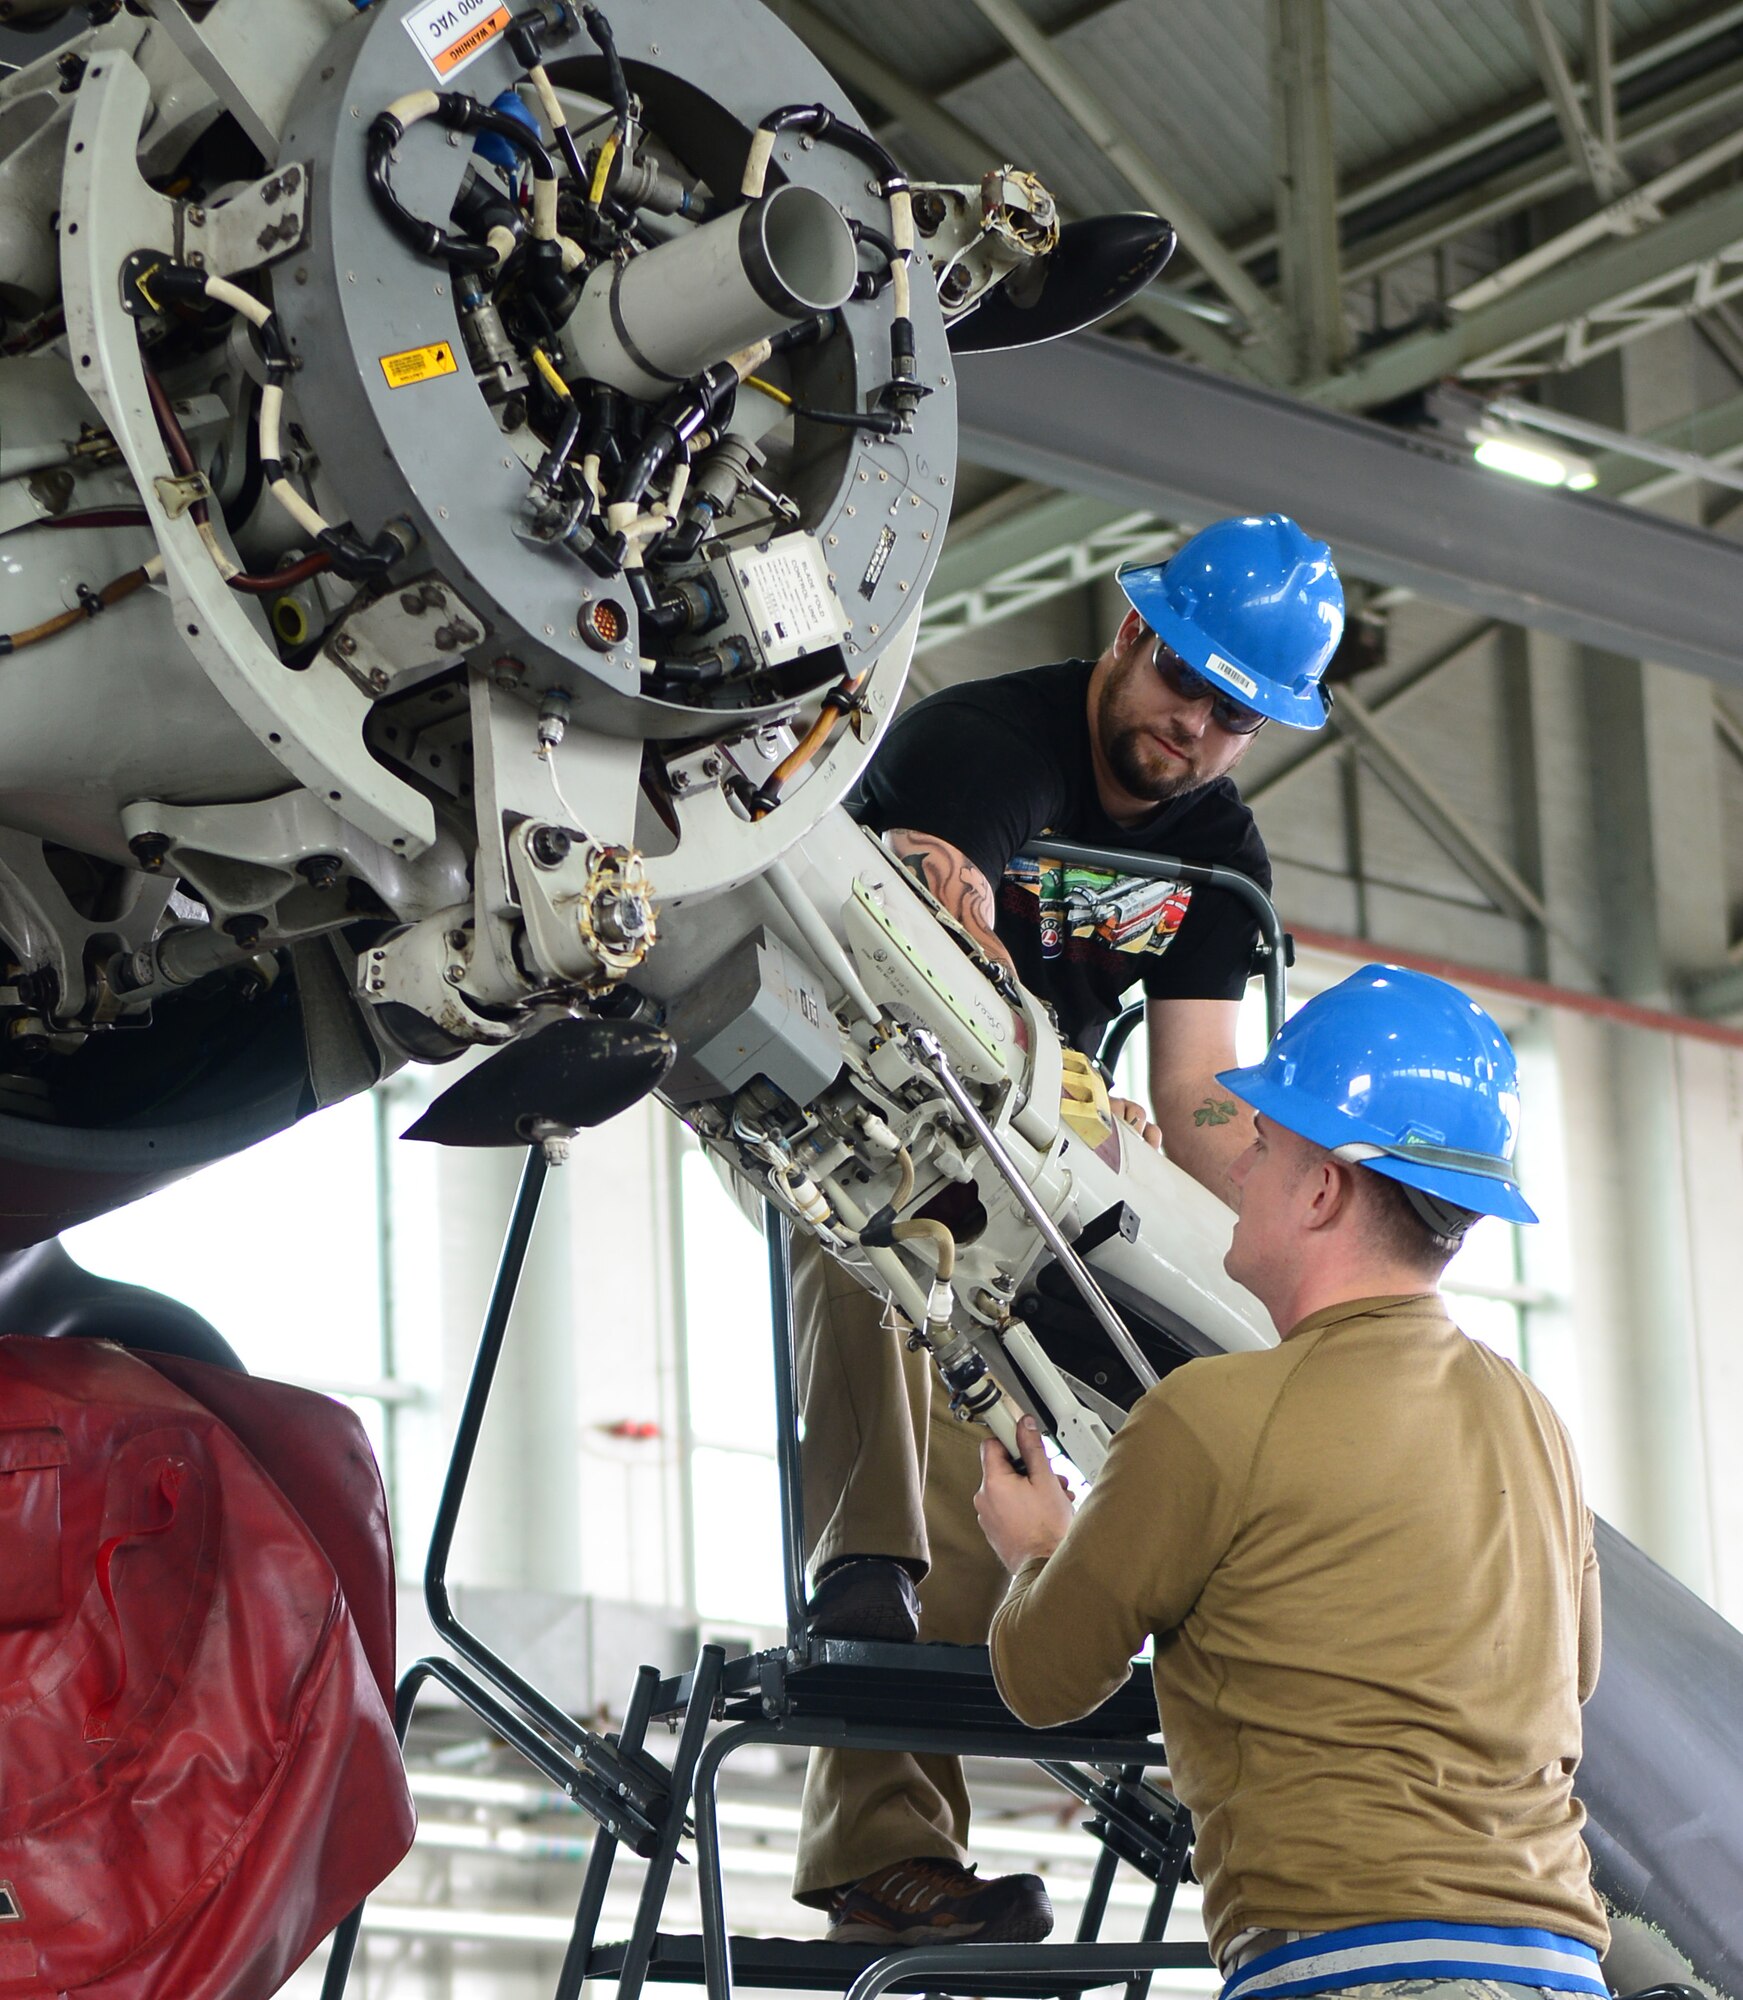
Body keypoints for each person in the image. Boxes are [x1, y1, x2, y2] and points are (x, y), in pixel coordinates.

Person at [790, 515, 1346, 1945]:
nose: (1197, 731)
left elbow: (1198, 1092)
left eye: (1235, 717)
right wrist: (950, 910)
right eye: (1186, 687)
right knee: (881, 1268)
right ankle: (860, 1591)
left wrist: (1297, 1242)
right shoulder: (991, 745)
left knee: (1004, 1471)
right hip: (865, 1122)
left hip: (1046, 1173)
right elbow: (916, 908)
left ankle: (886, 1860)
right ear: (1127, 635)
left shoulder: (1216, 849)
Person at [976, 965, 1610, 1999]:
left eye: (1262, 1144)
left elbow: (1045, 1676)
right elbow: (1568, 1679)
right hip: (1558, 1971)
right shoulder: (1535, 1419)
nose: (1235, 1169)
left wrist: (1036, 1546)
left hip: (1347, 1970)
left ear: (1324, 1189)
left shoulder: (1211, 1415)